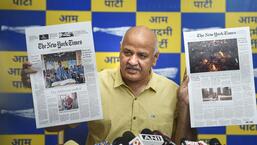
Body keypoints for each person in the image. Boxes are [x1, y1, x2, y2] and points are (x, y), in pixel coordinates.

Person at [21, 26, 197, 145]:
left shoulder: (174, 92)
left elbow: (184, 142)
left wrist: (184, 105)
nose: (132, 61)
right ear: (120, 50)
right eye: (127, 52)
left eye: (142, 55)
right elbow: (52, 127)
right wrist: (40, 89)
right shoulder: (94, 84)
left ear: (155, 58)